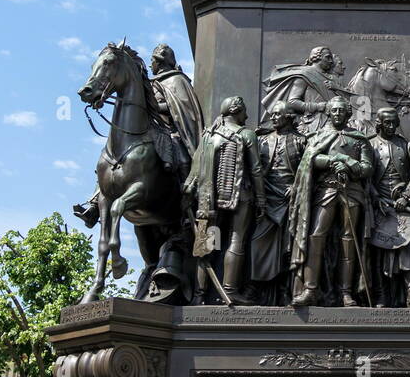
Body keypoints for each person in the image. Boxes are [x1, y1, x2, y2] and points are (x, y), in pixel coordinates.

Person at [73, 43, 202, 228]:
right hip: (148, 127)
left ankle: (190, 201)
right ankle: (94, 204)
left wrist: (160, 108)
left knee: (181, 156)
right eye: (151, 61)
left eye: (154, 61)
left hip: (170, 130)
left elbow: (184, 110)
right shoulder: (149, 82)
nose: (151, 65)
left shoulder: (176, 80)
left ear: (162, 61)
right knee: (112, 159)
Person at [288, 96, 374, 307]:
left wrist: (349, 164)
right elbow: (310, 160)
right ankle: (310, 289)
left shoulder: (359, 139)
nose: (337, 114)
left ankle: (346, 293)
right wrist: (335, 160)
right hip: (325, 191)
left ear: (347, 114)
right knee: (316, 236)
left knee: (348, 241)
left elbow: (367, 168)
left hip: (351, 193)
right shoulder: (319, 136)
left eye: (341, 111)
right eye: (334, 110)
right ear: (329, 113)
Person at [182, 96, 266, 305]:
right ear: (236, 110)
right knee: (235, 240)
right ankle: (230, 290)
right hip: (241, 196)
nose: (246, 115)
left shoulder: (208, 136)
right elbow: (256, 170)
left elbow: (196, 166)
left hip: (207, 201)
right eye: (244, 111)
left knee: (208, 244)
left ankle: (199, 295)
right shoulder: (246, 134)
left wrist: (189, 194)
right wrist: (262, 198)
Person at [369, 107, 410, 308]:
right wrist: (377, 198)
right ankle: (382, 294)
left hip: (403, 207)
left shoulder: (405, 144)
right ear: (379, 123)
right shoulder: (370, 145)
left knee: (408, 245)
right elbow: (365, 179)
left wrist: (406, 195)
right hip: (379, 207)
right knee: (377, 251)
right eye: (388, 123)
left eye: (395, 123)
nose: (392, 126)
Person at [250, 101, 307, 302]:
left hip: (290, 199)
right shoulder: (262, 140)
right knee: (258, 242)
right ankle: (257, 286)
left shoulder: (301, 141)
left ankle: (285, 289)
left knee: (288, 248)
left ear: (288, 117)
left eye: (277, 114)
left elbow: (307, 170)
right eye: (271, 114)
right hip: (267, 196)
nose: (273, 117)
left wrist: (296, 187)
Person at [261, 45, 348, 136]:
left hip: (333, 123)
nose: (331, 61)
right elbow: (292, 102)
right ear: (316, 58)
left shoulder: (331, 78)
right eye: (327, 57)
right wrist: (317, 106)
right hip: (314, 124)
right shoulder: (305, 75)